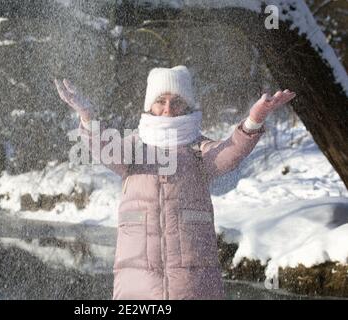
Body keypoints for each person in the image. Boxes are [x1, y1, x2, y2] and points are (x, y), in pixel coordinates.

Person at [54, 65, 296, 299]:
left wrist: (253, 121)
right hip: (137, 283)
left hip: (193, 285)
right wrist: (87, 117)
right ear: (150, 106)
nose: (168, 109)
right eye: (161, 101)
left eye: (176, 102)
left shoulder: (198, 148)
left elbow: (228, 153)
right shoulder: (134, 147)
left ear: (186, 107)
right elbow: (105, 147)